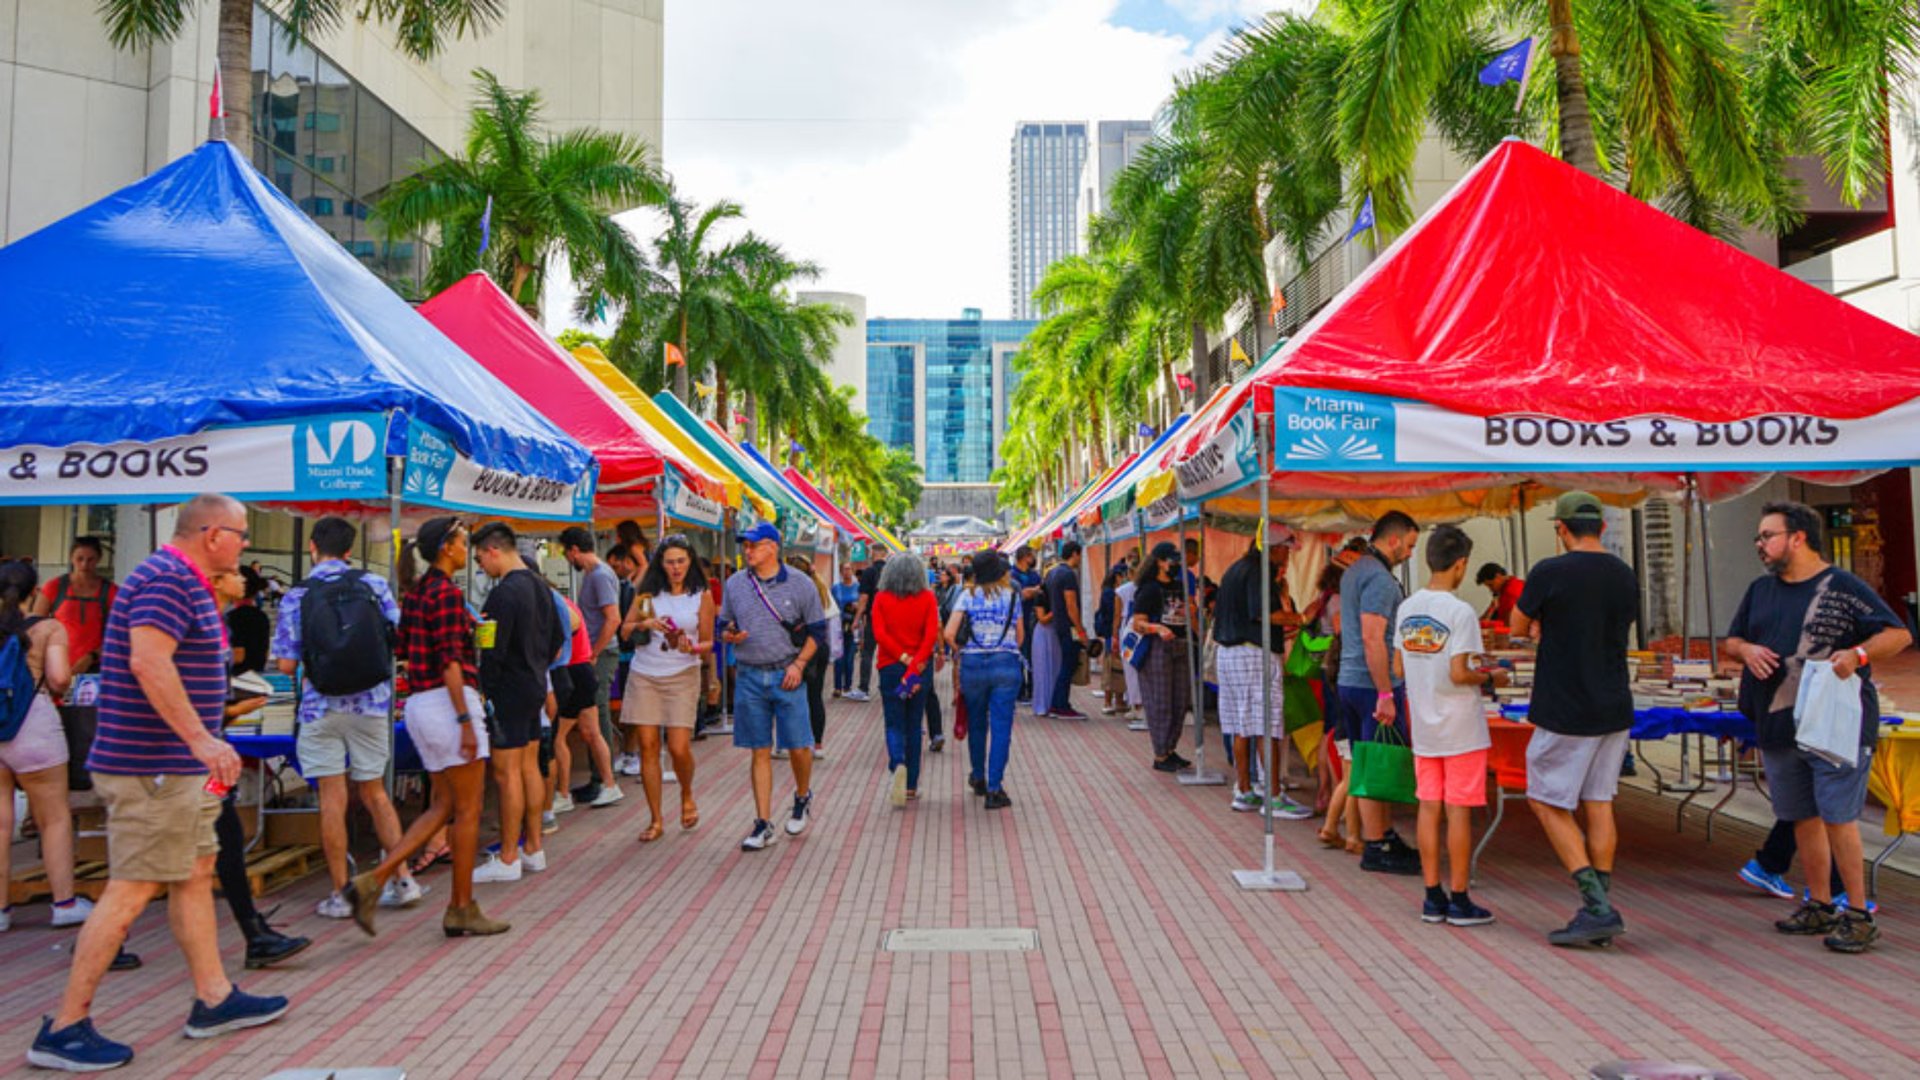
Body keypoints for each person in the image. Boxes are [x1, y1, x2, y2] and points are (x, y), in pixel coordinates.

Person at [31, 495, 287, 1072]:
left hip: (173, 766)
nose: (247, 545)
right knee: (134, 885)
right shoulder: (169, 579)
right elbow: (150, 662)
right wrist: (200, 739)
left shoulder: (183, 579)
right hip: (152, 766)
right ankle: (66, 1024)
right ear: (214, 533)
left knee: (194, 873)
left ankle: (214, 997)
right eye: (242, 535)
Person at [1723, 500, 1910, 954]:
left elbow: (1899, 634)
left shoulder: (1842, 587)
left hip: (1834, 725)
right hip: (1778, 721)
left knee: (1839, 817)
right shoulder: (1760, 590)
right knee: (1800, 815)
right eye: (1759, 537)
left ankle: (1859, 914)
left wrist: (1857, 655)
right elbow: (1732, 639)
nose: (1760, 545)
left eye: (1767, 535)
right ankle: (1820, 903)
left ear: (1798, 537)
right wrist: (1745, 651)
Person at [342, 517, 506, 939]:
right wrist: (466, 720)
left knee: (442, 806)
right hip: (448, 703)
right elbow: (451, 660)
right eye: (461, 541)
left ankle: (374, 880)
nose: (466, 547)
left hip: (418, 703)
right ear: (446, 547)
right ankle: (461, 906)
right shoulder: (447, 595)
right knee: (468, 809)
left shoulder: (415, 594)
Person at [269, 516, 425, 922]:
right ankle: (403, 879)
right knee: (375, 794)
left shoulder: (297, 595)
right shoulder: (373, 585)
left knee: (332, 799)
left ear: (313, 548)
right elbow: (399, 635)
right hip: (372, 704)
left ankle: (342, 894)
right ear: (350, 550)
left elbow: (285, 665)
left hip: (320, 706)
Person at [1509, 491, 1640, 947]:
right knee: (1599, 801)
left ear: (1561, 529)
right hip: (1614, 703)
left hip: (1566, 705)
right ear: (1602, 527)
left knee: (1546, 799)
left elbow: (1516, 626)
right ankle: (1598, 904)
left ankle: (1596, 904)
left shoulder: (1550, 571)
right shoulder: (1624, 574)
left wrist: (1544, 623)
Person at [1396, 525, 1504, 928]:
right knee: (1459, 812)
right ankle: (1459, 898)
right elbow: (1461, 672)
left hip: (1423, 724)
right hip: (1460, 726)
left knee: (1429, 808)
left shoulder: (1407, 607)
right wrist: (1490, 677)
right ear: (1461, 565)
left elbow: (1397, 665)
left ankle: (1431, 894)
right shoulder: (1460, 613)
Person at [205, 569, 311, 969]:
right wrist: (234, 710)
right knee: (148, 870)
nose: (242, 577)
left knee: (225, 840)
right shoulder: (199, 623)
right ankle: (103, 935)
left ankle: (253, 934)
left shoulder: (218, 622)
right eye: (232, 571)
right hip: (186, 766)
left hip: (208, 762)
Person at [716, 523, 826, 851]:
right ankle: (763, 823)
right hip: (750, 674)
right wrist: (730, 635)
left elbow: (817, 632)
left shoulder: (800, 584)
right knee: (759, 748)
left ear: (772, 547)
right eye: (745, 546)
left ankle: (802, 796)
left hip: (787, 673)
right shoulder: (735, 584)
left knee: (798, 746)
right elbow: (723, 625)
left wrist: (799, 664)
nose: (747, 551)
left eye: (754, 545)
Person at [0, 562, 92, 934]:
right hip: (34, 728)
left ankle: (1, 911)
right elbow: (58, 678)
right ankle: (64, 903)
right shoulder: (47, 628)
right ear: (34, 591)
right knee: (53, 818)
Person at [470, 523, 558, 883]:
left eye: (479, 559)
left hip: (508, 689)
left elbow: (491, 649)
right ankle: (533, 847)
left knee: (507, 775)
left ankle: (508, 856)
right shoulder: (541, 587)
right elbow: (556, 636)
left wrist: (484, 688)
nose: (481, 568)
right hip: (535, 683)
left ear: (493, 550)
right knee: (529, 768)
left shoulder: (503, 594)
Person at [1337, 512, 1422, 875]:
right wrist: (1385, 692)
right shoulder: (1380, 580)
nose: (1410, 554)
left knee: (1370, 758)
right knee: (1378, 761)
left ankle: (1382, 834)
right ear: (1394, 540)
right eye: (1410, 545)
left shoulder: (1355, 570)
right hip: (1372, 683)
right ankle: (1377, 844)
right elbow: (1374, 638)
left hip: (1351, 679)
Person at [1214, 525, 1310, 818]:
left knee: (1242, 725)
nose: (1288, 556)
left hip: (1229, 653)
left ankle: (1244, 790)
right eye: (1286, 549)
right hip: (1253, 652)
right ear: (1275, 548)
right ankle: (1274, 795)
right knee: (1267, 725)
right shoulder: (1260, 571)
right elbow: (1266, 613)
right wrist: (1302, 617)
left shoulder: (1235, 569)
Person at [622, 535, 712, 841]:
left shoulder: (700, 595)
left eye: (681, 562)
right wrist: (644, 625)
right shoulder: (648, 594)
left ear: (690, 562)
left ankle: (687, 794)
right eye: (670, 562)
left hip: (683, 674)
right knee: (648, 746)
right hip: (645, 673)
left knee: (678, 747)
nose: (675, 568)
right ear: (661, 563)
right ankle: (656, 819)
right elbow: (625, 629)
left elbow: (709, 641)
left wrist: (693, 648)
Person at [947, 550, 1024, 809]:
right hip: (1006, 663)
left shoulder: (966, 595)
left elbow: (949, 633)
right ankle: (995, 788)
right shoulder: (1013, 595)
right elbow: (1021, 636)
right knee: (1002, 726)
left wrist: (962, 651)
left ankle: (978, 776)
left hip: (973, 665)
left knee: (977, 722)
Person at [559, 527, 623, 805]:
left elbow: (613, 618)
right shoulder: (596, 574)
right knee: (593, 717)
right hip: (596, 653)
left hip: (600, 654)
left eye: (564, 551)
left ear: (574, 550)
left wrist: (594, 652)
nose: (565, 558)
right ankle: (600, 778)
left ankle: (603, 780)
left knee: (598, 716)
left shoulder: (599, 576)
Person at [872, 554, 940, 807]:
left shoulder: (881, 598)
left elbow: (879, 633)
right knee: (914, 725)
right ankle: (911, 785)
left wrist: (901, 657)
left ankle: (897, 763)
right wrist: (915, 663)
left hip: (890, 666)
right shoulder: (928, 598)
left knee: (893, 723)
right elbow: (930, 634)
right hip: (918, 669)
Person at [1132, 542, 1193, 772]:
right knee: (1161, 702)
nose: (1175, 564)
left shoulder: (1179, 585)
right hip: (1158, 647)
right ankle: (1160, 754)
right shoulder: (1148, 589)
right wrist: (1157, 628)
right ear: (1159, 561)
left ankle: (1169, 748)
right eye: (1171, 560)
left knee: (1180, 700)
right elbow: (1138, 622)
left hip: (1180, 645)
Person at [32, 536, 116, 675]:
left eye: (90, 560)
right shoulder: (54, 587)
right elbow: (36, 629)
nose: (84, 565)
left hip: (97, 666)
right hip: (56, 663)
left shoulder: (111, 592)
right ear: (71, 558)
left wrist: (92, 656)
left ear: (99, 559)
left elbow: (119, 634)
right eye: (80, 559)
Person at [786, 556, 833, 759]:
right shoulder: (820, 589)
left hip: (803, 648)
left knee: (796, 697)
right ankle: (818, 743)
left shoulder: (798, 592)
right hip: (821, 647)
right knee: (815, 696)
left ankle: (799, 742)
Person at [606, 544, 644, 775]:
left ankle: (631, 752)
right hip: (618, 654)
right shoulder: (616, 586)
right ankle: (626, 752)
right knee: (618, 708)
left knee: (630, 707)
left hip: (629, 655)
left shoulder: (633, 590)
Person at [1043, 541, 1090, 720]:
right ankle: (1060, 705)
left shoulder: (1053, 572)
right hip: (1069, 626)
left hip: (1058, 624)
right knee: (1068, 665)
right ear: (1075, 554)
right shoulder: (1068, 575)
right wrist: (1080, 630)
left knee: (1065, 664)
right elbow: (1071, 604)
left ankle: (1059, 703)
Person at [847, 555, 885, 702]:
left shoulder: (869, 572)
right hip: (890, 620)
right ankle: (886, 687)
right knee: (888, 653)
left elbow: (863, 598)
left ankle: (864, 688)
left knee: (867, 653)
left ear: (873, 554)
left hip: (873, 619)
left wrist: (856, 619)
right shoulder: (891, 570)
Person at [223, 569, 270, 676]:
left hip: (238, 678)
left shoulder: (234, 617)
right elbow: (265, 653)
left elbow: (238, 655)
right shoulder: (262, 616)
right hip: (258, 676)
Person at [1011, 546, 1043, 704]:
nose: (1034, 559)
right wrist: (1032, 591)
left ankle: (1032, 689)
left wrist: (1031, 591)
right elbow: (1021, 594)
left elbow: (1038, 590)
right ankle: (1020, 690)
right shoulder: (1012, 575)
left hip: (1033, 618)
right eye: (1032, 556)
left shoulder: (1033, 574)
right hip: (1018, 620)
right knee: (1019, 654)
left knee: (1032, 654)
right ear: (1025, 557)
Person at [1114, 556, 1143, 722]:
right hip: (1143, 629)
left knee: (1130, 669)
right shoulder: (1149, 588)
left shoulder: (1121, 590)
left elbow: (1117, 616)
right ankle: (1139, 705)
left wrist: (1114, 636)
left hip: (1127, 630)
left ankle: (1135, 704)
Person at [831, 562, 861, 698]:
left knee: (849, 658)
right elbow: (831, 606)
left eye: (849, 569)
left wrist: (857, 607)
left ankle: (847, 686)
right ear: (841, 572)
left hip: (853, 625)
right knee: (838, 657)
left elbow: (863, 608)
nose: (847, 572)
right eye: (844, 569)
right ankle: (837, 687)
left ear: (853, 571)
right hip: (839, 625)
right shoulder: (836, 588)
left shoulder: (858, 588)